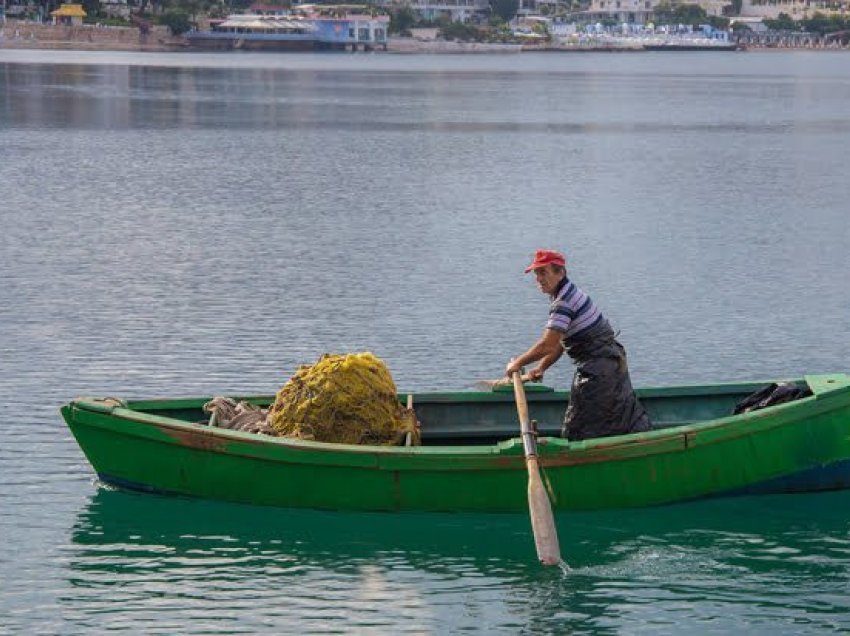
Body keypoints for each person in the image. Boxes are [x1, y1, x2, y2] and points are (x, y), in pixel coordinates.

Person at [505, 249, 651, 441]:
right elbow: (559, 343)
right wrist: (541, 367)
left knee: (580, 428)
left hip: (599, 370)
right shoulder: (568, 292)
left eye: (544, 272)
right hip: (607, 365)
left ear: (560, 273)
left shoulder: (563, 302)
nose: (539, 279)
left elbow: (547, 345)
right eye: (537, 274)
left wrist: (517, 363)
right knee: (612, 419)